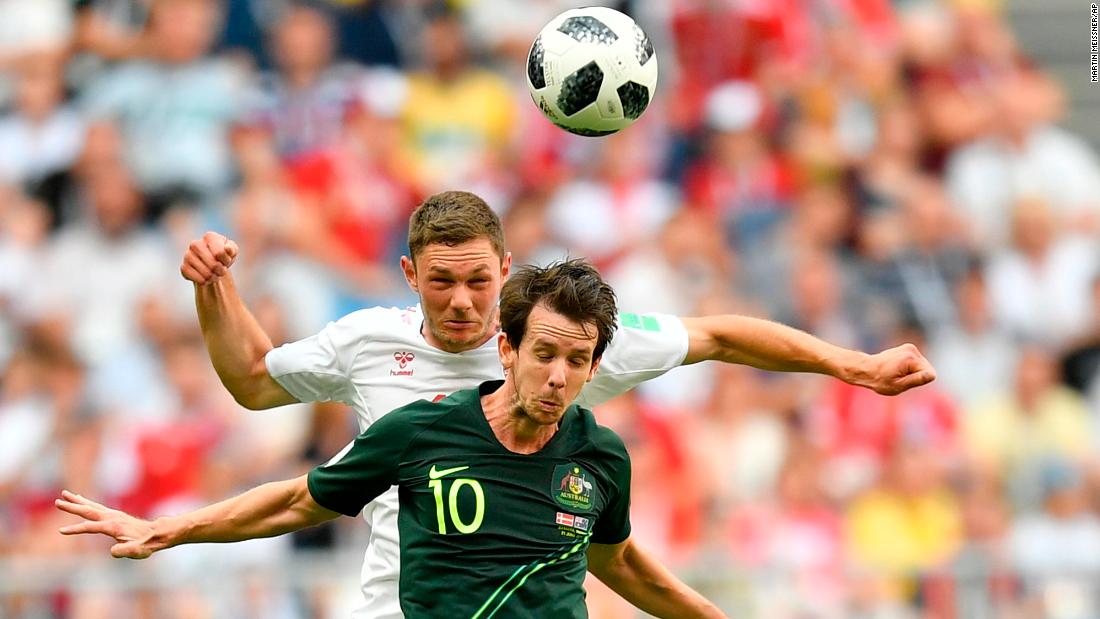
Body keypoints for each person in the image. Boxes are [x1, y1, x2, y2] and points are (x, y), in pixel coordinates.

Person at [179, 190, 935, 618]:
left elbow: (718, 335)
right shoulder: (368, 341)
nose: (463, 301)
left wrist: (852, 364)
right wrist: (215, 287)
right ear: (409, 273)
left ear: (506, 268)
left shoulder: (554, 341)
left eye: (479, 279)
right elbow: (251, 378)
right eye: (441, 281)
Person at [56, 259, 728, 619]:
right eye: (544, 353)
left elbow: (625, 565)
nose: (558, 377)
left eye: (576, 361)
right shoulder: (422, 430)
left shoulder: (601, 456)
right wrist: (169, 528)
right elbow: (297, 500)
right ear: (507, 349)